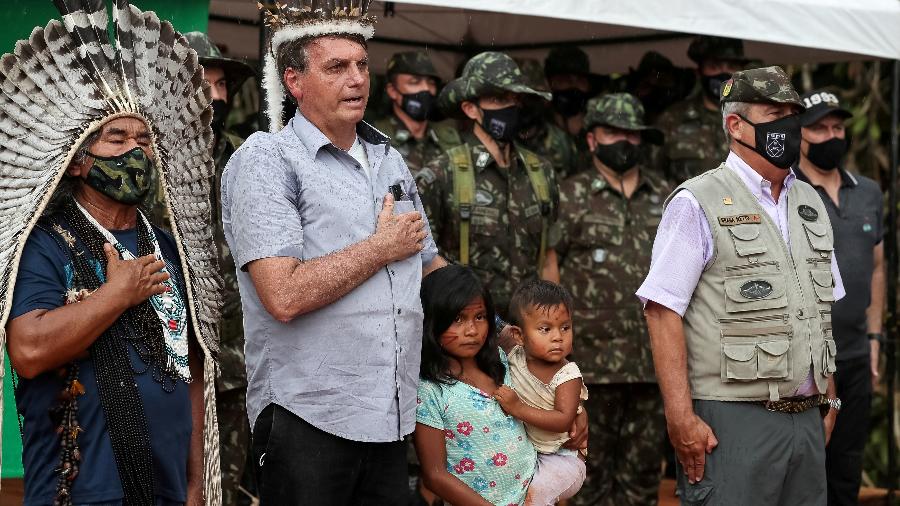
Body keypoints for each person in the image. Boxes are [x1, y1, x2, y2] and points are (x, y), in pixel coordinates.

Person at [222, 2, 448, 503]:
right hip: (308, 417)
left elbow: (430, 268)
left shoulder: (389, 158)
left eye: (362, 65)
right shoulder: (267, 159)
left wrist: (507, 343)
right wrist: (378, 249)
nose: (356, 79)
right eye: (337, 67)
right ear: (295, 82)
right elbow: (281, 294)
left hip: (390, 416)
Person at [0, 2, 223, 504]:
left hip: (166, 491)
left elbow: (188, 368)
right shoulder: (44, 243)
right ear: (76, 162)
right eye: (116, 138)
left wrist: (195, 484)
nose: (135, 151)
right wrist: (115, 295)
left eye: (144, 139)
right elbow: (29, 351)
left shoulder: (168, 246)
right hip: (79, 491)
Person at [637, 66, 845, 506]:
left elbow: (823, 309)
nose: (788, 126)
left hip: (807, 421)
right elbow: (661, 310)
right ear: (736, 125)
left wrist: (831, 401)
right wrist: (680, 418)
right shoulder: (698, 201)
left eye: (792, 115)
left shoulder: (809, 201)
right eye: (774, 114)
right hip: (730, 420)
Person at [553, 93, 669, 505]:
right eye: (613, 132)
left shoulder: (669, 197)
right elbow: (549, 275)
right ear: (591, 140)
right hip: (590, 371)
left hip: (654, 365)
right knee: (587, 477)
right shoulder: (568, 196)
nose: (625, 141)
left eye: (632, 134)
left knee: (642, 480)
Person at [418, 51, 561, 317]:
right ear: (470, 108)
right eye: (498, 99)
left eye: (515, 99)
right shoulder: (441, 174)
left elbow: (548, 258)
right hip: (469, 333)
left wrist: (550, 322)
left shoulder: (541, 173)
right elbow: (424, 262)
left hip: (530, 331)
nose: (511, 107)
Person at [794, 89, 885, 506]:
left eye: (837, 127)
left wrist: (874, 339)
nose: (831, 135)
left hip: (854, 354)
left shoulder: (867, 192)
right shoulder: (788, 191)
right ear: (799, 135)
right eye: (819, 127)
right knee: (807, 464)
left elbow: (878, 267)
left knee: (847, 466)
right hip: (808, 362)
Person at [184, 30, 257, 506]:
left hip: (237, 361)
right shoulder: (141, 156)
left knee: (226, 490)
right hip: (166, 362)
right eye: (202, 84)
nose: (216, 95)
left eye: (222, 85)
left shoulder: (251, 156)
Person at [415, 265, 538, 505]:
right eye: (458, 318)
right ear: (433, 321)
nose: (471, 330)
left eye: (479, 317)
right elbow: (435, 475)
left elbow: (549, 392)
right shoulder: (430, 390)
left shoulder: (504, 362)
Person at [494, 279, 589, 506]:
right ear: (519, 335)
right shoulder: (513, 355)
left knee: (533, 497)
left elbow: (563, 420)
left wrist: (517, 408)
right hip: (530, 454)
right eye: (545, 329)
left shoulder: (568, 374)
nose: (558, 337)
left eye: (565, 327)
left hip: (562, 460)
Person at [654, 36, 749, 183]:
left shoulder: (757, 118)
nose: (724, 74)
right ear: (699, 72)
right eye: (714, 66)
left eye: (731, 66)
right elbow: (652, 178)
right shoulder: (671, 120)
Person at [373, 51, 462, 175]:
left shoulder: (449, 138)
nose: (426, 89)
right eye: (414, 82)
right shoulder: (374, 137)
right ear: (393, 91)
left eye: (431, 83)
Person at [515, 57, 584, 179]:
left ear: (546, 100)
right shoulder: (497, 140)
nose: (522, 104)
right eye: (516, 98)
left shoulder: (561, 142)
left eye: (532, 97)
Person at [544, 46, 593, 144]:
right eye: (565, 79)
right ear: (549, 83)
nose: (573, 85)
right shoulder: (538, 128)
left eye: (580, 80)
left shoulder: (597, 129)